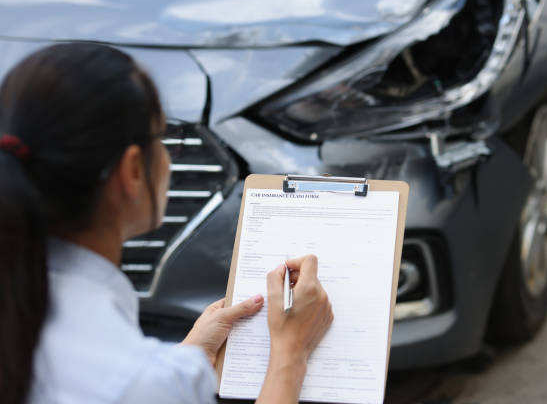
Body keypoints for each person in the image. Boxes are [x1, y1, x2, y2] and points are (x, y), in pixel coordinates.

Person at [0, 43, 333, 404]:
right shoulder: (146, 379)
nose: (168, 158)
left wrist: (192, 353)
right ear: (131, 171)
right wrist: (291, 352)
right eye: (164, 140)